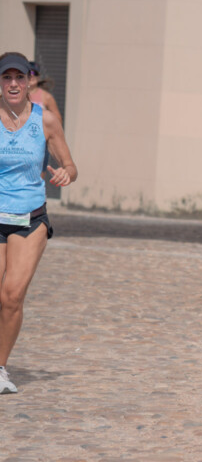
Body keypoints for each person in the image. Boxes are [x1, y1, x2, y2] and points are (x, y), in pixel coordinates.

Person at [0, 52, 78, 394]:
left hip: (30, 219)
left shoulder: (45, 120)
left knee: (12, 296)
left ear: (29, 81)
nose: (13, 83)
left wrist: (66, 174)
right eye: (7, 77)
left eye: (19, 77)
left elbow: (71, 166)